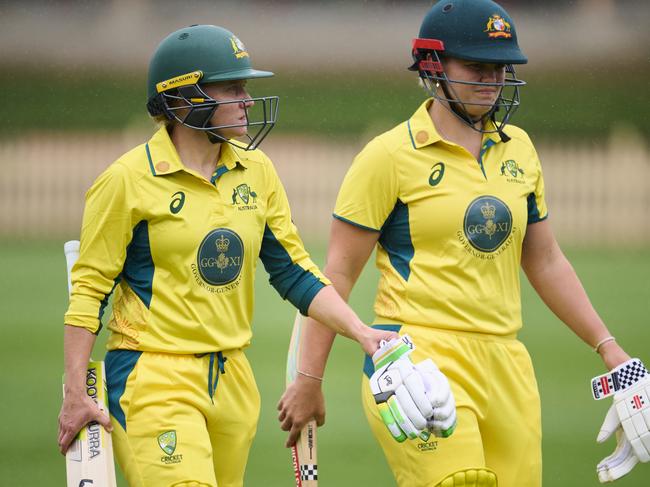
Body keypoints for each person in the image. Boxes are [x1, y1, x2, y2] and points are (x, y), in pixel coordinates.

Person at [277, 1, 649, 486]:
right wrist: (309, 381)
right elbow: (338, 275)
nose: (492, 80)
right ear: (433, 68)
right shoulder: (389, 156)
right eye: (476, 67)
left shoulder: (520, 149)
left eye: (500, 68)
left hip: (507, 364)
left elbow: (546, 260)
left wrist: (610, 349)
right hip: (416, 361)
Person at [56, 24, 398, 487]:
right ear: (184, 98)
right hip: (152, 374)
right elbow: (90, 290)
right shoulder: (126, 180)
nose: (247, 99)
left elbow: (295, 273)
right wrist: (75, 389)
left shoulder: (256, 171)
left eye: (246, 87)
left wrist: (360, 332)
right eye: (233, 87)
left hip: (233, 379)